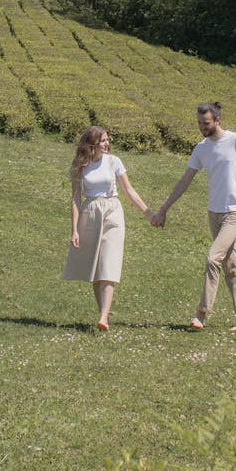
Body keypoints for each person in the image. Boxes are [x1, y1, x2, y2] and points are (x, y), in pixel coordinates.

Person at [151, 102, 236, 333]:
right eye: (199, 124)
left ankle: (201, 314)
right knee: (230, 265)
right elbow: (185, 180)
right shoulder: (201, 148)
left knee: (213, 258)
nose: (202, 127)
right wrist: (164, 208)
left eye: (205, 123)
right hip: (214, 213)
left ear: (217, 120)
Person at [63, 125, 154, 330]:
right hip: (90, 213)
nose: (107, 144)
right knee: (95, 268)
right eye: (103, 140)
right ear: (91, 144)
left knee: (109, 262)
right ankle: (103, 312)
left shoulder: (114, 162)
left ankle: (104, 317)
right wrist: (75, 229)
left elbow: (129, 191)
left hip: (113, 211)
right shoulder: (80, 166)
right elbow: (76, 199)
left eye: (107, 140)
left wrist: (148, 213)